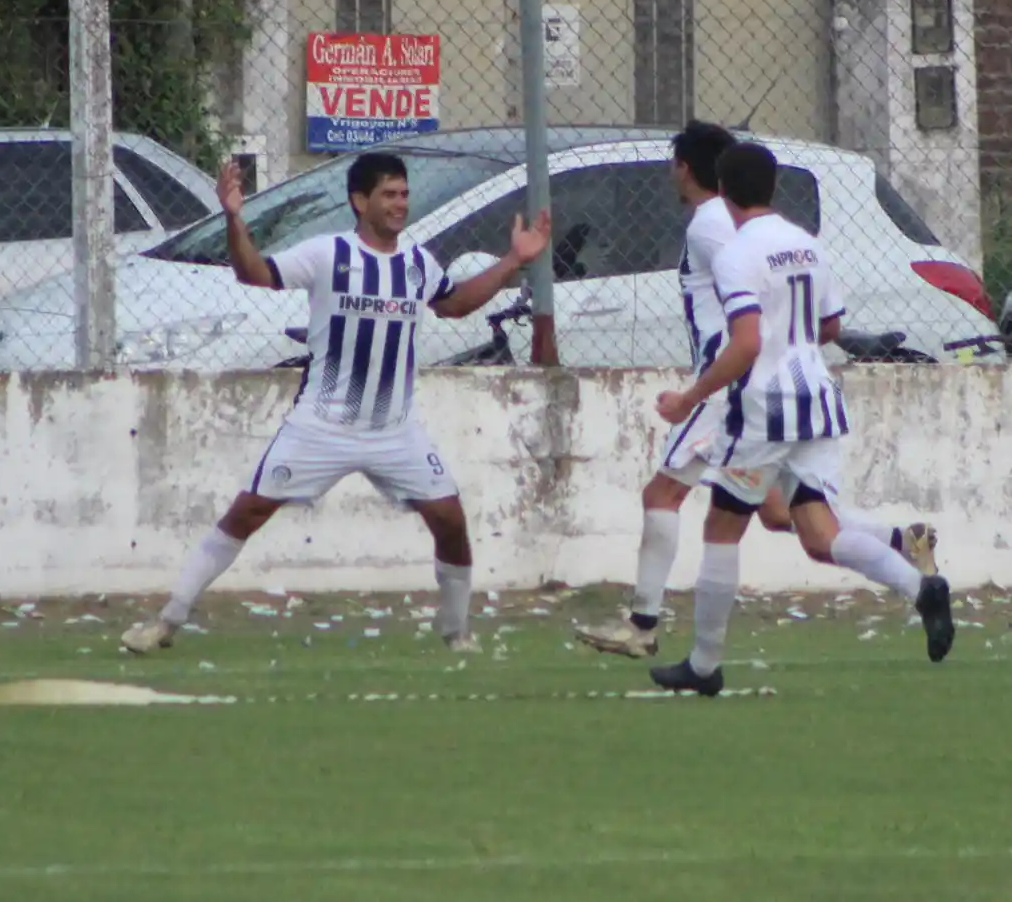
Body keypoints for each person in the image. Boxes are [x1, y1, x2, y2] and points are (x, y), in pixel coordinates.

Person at [121, 152, 551, 655]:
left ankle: (457, 633)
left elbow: (454, 304)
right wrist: (235, 217)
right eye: (389, 195)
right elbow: (255, 272)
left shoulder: (416, 263)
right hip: (321, 425)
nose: (400, 204)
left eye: (404, 194)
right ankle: (169, 620)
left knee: (451, 521)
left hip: (395, 430)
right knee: (248, 511)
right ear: (359, 200)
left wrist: (513, 260)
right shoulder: (328, 254)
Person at [575, 121, 937, 660]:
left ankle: (646, 626)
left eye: (673, 165)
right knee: (782, 516)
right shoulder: (745, 227)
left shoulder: (714, 227)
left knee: (664, 495)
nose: (670, 175)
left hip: (735, 391)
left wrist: (702, 389)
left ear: (690, 170)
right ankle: (903, 545)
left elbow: (754, 300)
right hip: (770, 390)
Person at [647, 141, 954, 695]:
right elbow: (830, 324)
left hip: (764, 409)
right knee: (819, 532)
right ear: (772, 188)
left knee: (722, 527)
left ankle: (703, 664)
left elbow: (743, 345)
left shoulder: (737, 254)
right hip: (816, 398)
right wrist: (793, 347)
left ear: (722, 189)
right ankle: (920, 588)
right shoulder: (804, 243)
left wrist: (690, 398)